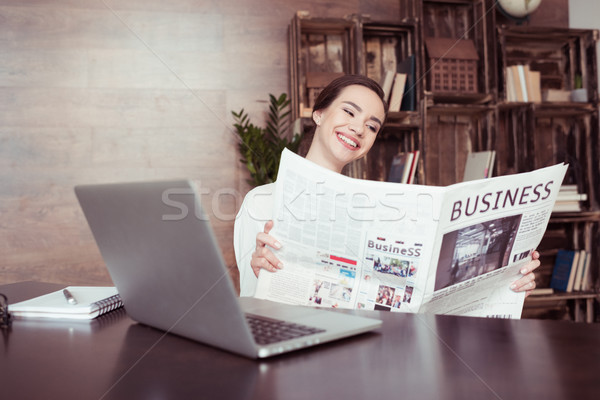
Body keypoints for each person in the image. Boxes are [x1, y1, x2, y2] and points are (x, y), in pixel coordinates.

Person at [233, 74, 540, 298]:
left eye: (371, 126)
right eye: (349, 112)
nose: (358, 128)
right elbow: (246, 298)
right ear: (319, 113)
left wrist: (507, 283)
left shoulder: (377, 208)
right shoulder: (261, 201)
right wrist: (258, 268)